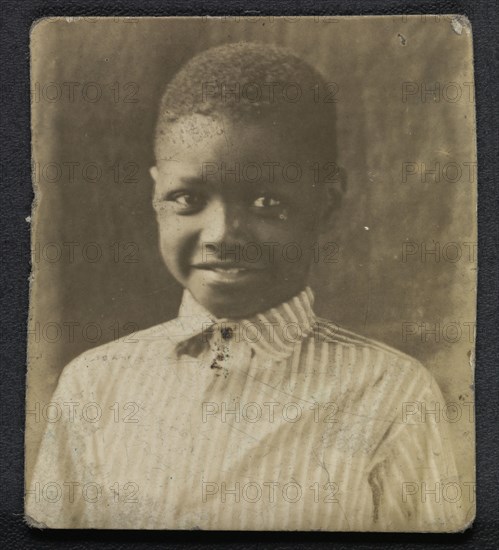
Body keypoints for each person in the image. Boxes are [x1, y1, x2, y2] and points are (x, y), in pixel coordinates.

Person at [25, 42, 468, 531]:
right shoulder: (95, 382)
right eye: (188, 198)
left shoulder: (391, 394)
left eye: (266, 201)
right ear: (156, 194)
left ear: (327, 200)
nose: (222, 235)